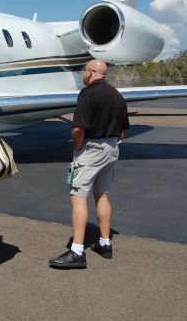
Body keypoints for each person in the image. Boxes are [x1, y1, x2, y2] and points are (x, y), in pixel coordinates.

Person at [49, 59, 130, 269]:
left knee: (78, 196)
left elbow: (78, 128)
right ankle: (105, 243)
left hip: (91, 149)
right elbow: (124, 130)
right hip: (112, 147)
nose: (83, 74)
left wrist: (78, 149)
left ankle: (77, 250)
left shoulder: (87, 94)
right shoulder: (117, 95)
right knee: (102, 194)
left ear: (92, 72)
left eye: (84, 71)